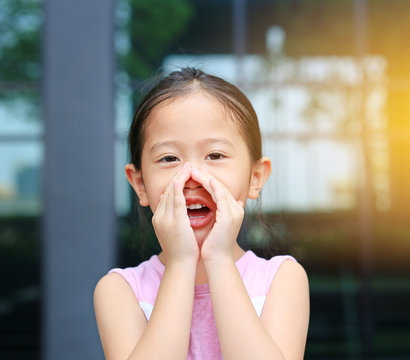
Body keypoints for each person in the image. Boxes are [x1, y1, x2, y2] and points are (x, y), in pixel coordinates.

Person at [94, 68, 310, 360]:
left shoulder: (281, 280)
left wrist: (219, 258)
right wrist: (181, 261)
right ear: (140, 184)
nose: (192, 176)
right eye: (169, 158)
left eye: (215, 155)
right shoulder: (121, 291)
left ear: (256, 177)